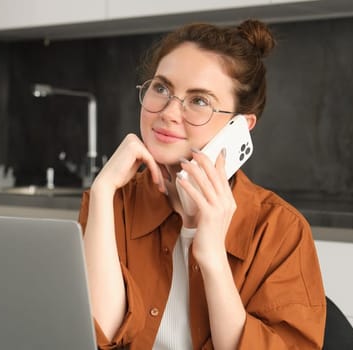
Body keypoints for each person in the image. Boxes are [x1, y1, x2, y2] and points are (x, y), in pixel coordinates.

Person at [78, 19, 326, 349]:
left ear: (240, 126)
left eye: (199, 101)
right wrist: (103, 189)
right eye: (162, 88)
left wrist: (211, 257)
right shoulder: (112, 203)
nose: (168, 112)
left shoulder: (280, 231)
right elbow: (94, 338)